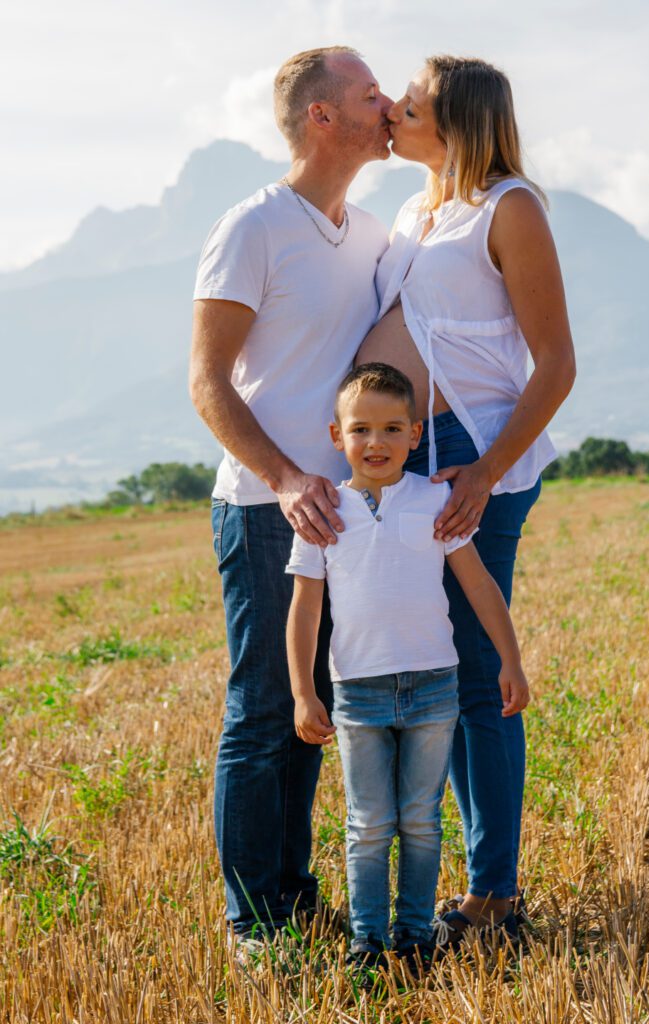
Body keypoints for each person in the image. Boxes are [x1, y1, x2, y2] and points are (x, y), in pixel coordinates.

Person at [355, 56, 576, 943]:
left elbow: (555, 363)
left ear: (453, 123)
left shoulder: (508, 207)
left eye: (407, 105)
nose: (393, 113)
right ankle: (480, 887)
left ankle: (496, 898)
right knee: (438, 670)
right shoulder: (418, 209)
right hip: (405, 460)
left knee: (478, 678)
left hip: (469, 458)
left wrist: (483, 473)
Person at [189, 46, 392, 951]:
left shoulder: (376, 232)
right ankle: (253, 924)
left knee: (313, 710)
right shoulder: (253, 226)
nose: (387, 104)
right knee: (267, 710)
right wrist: (283, 477)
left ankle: (292, 898)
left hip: (344, 516)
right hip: (267, 510)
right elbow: (205, 381)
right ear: (321, 116)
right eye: (367, 94)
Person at [286, 363, 530, 970]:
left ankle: (415, 937)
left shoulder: (436, 500)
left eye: (393, 428)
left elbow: (478, 586)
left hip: (432, 688)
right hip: (358, 692)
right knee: (368, 824)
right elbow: (304, 611)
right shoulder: (322, 513)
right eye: (361, 428)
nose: (378, 442)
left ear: (416, 435)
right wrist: (302, 692)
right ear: (336, 436)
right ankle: (368, 941)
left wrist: (511, 659)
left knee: (421, 822)